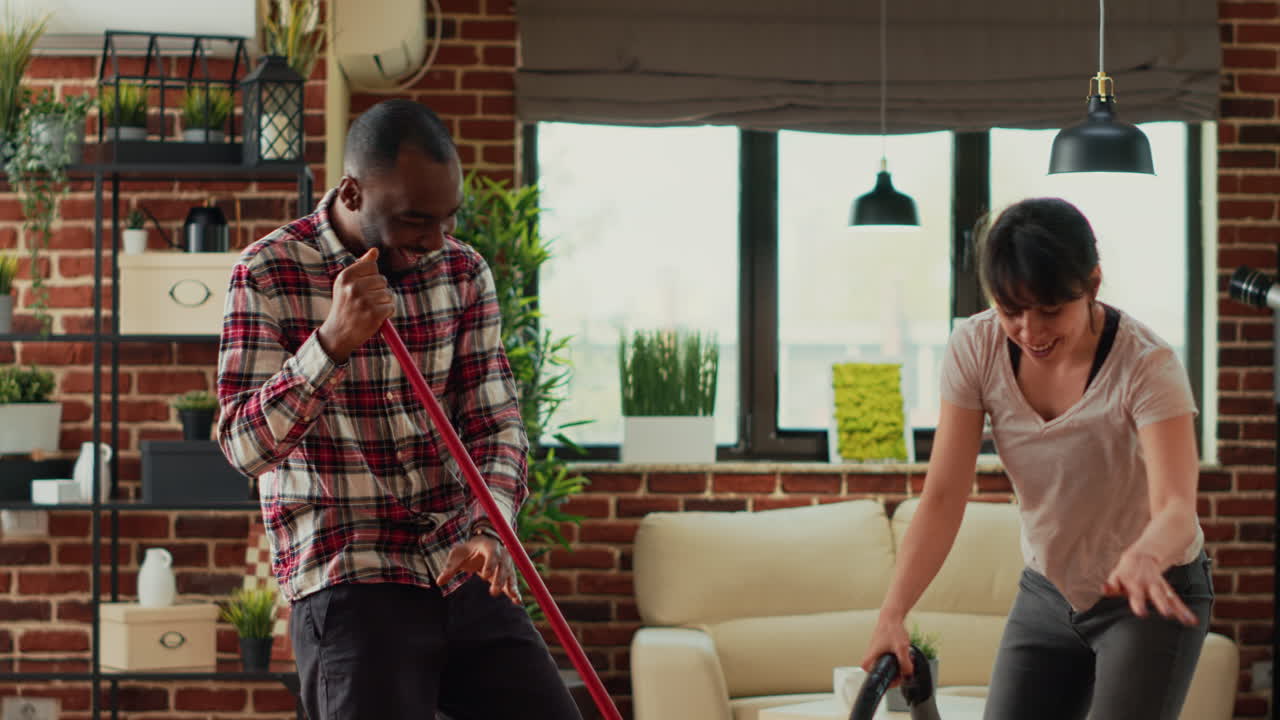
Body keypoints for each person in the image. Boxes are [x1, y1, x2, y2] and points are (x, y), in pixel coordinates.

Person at [216, 99, 583, 720]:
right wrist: (331, 343)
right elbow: (244, 447)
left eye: (446, 219)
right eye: (416, 221)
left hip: (457, 558)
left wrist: (491, 526)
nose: (435, 241)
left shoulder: (462, 271)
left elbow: (496, 423)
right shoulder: (268, 272)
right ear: (353, 193)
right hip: (348, 569)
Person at [859, 197, 1213, 720]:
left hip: (1147, 599)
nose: (1031, 331)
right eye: (1011, 310)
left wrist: (1146, 553)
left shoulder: (1147, 365)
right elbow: (942, 497)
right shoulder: (974, 347)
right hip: (1047, 594)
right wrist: (893, 612)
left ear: (1092, 285)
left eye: (1051, 310)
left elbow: (1177, 508)